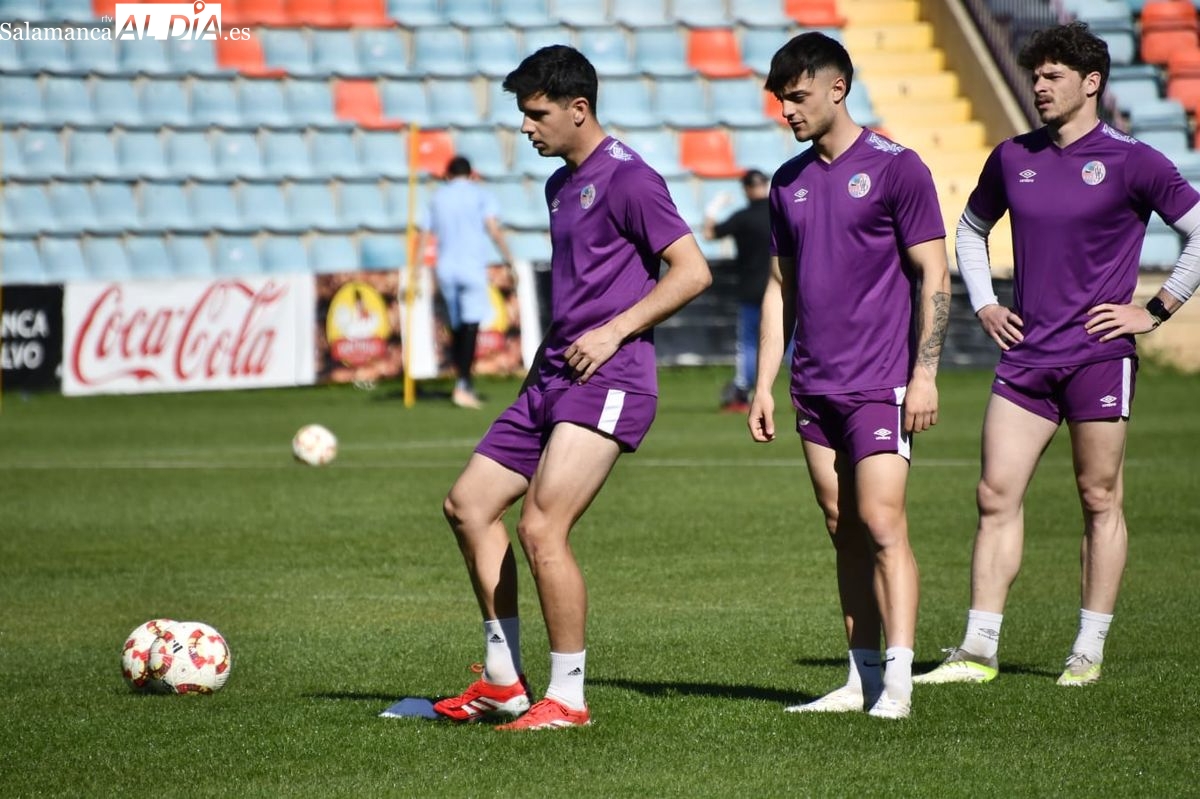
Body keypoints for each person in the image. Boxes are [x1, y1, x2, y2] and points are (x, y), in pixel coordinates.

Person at [431, 45, 711, 731]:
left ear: (578, 109)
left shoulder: (630, 179)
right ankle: (503, 682)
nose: (526, 128)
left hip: (610, 376)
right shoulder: (562, 185)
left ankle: (568, 698)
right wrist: (541, 370)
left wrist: (614, 332)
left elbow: (691, 271)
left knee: (541, 525)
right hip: (553, 375)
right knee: (468, 504)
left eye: (536, 114)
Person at [915, 22, 1200, 688]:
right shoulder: (1014, 156)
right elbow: (971, 227)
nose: (1038, 87)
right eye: (1034, 76)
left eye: (1052, 76)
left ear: (1091, 81)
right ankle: (978, 648)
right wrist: (984, 300)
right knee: (994, 494)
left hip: (1099, 355)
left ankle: (1087, 649)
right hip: (1026, 357)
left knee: (1098, 496)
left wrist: (1155, 310)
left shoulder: (1135, 159)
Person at [749, 31, 950, 720]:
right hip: (814, 383)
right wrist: (763, 383)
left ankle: (898, 680)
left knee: (881, 520)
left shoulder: (899, 168)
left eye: (797, 97)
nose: (787, 111)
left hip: (882, 380)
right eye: (781, 100)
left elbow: (934, 273)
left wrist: (924, 375)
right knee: (842, 525)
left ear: (837, 88)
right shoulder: (788, 181)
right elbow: (780, 288)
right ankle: (859, 677)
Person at [416, 155, 514, 410]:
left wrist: (416, 269)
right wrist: (509, 260)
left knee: (457, 326)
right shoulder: (481, 194)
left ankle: (461, 380)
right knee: (471, 326)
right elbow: (493, 229)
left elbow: (425, 234)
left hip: (446, 268)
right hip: (472, 267)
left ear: (448, 175)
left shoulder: (438, 197)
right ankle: (463, 385)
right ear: (471, 174)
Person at [703, 168, 773, 413]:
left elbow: (709, 233)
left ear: (745, 189)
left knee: (749, 345)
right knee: (791, 344)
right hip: (782, 290)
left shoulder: (742, 217)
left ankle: (742, 392)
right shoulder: (780, 213)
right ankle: (806, 394)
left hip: (751, 291)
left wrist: (715, 206)